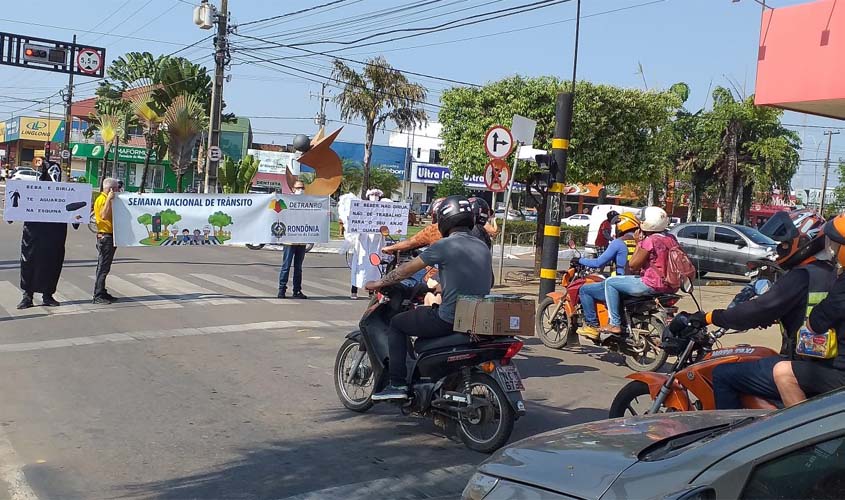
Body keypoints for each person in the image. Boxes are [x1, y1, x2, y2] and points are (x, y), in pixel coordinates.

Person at [690, 211, 835, 409]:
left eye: (784, 244)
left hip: (807, 367)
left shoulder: (801, 276)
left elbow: (758, 308)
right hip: (823, 365)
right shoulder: (831, 272)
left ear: (804, 241)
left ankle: (732, 439)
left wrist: (710, 317)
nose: (779, 249)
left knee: (722, 375)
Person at [366, 196, 492, 400]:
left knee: (397, 324)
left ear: (444, 220)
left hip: (449, 318)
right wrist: (443, 287)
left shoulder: (444, 246)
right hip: (476, 317)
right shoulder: (482, 246)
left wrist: (379, 283)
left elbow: (406, 270)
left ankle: (397, 384)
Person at [772, 215, 845, 406]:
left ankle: (805, 431)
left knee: (782, 372)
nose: (831, 249)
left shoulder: (843, 286)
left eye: (836, 244)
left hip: (840, 374)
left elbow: (815, 323)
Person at [601, 207, 676, 335]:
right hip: (671, 285)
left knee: (610, 282)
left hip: (651, 284)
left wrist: (638, 243)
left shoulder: (649, 241)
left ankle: (614, 323)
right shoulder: (671, 238)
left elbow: (633, 265)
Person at [575, 212, 640, 339]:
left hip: (621, 284)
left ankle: (592, 326)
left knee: (585, 290)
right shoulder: (641, 242)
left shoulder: (618, 243)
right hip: (638, 284)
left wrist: (580, 260)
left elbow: (599, 262)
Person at [17, 160, 68, 309]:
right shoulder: (34, 190)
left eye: (57, 172)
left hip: (55, 235)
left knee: (53, 263)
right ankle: (27, 296)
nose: (55, 176)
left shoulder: (64, 192)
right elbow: (20, 206)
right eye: (52, 172)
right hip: (34, 234)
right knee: (29, 262)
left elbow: (72, 210)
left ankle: (48, 295)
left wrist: (79, 215)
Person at [348, 189, 388, 300]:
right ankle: (354, 290)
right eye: (372, 194)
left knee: (374, 266)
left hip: (377, 241)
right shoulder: (361, 207)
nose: (374, 196)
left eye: (376, 195)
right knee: (360, 264)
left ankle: (372, 291)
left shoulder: (383, 209)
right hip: (363, 241)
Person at [277, 180, 308, 299]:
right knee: (286, 266)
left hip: (302, 239)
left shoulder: (308, 202)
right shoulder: (287, 201)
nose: (300, 190)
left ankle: (297, 290)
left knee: (298, 268)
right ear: (293, 189)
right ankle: (282, 290)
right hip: (289, 240)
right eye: (298, 188)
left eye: (302, 188)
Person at [93, 177, 122, 304]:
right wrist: (109, 199)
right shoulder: (103, 199)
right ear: (110, 189)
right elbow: (104, 215)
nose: (118, 190)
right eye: (116, 188)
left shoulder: (108, 199)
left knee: (105, 266)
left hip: (111, 235)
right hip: (105, 236)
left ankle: (102, 291)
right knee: (103, 267)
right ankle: (98, 295)